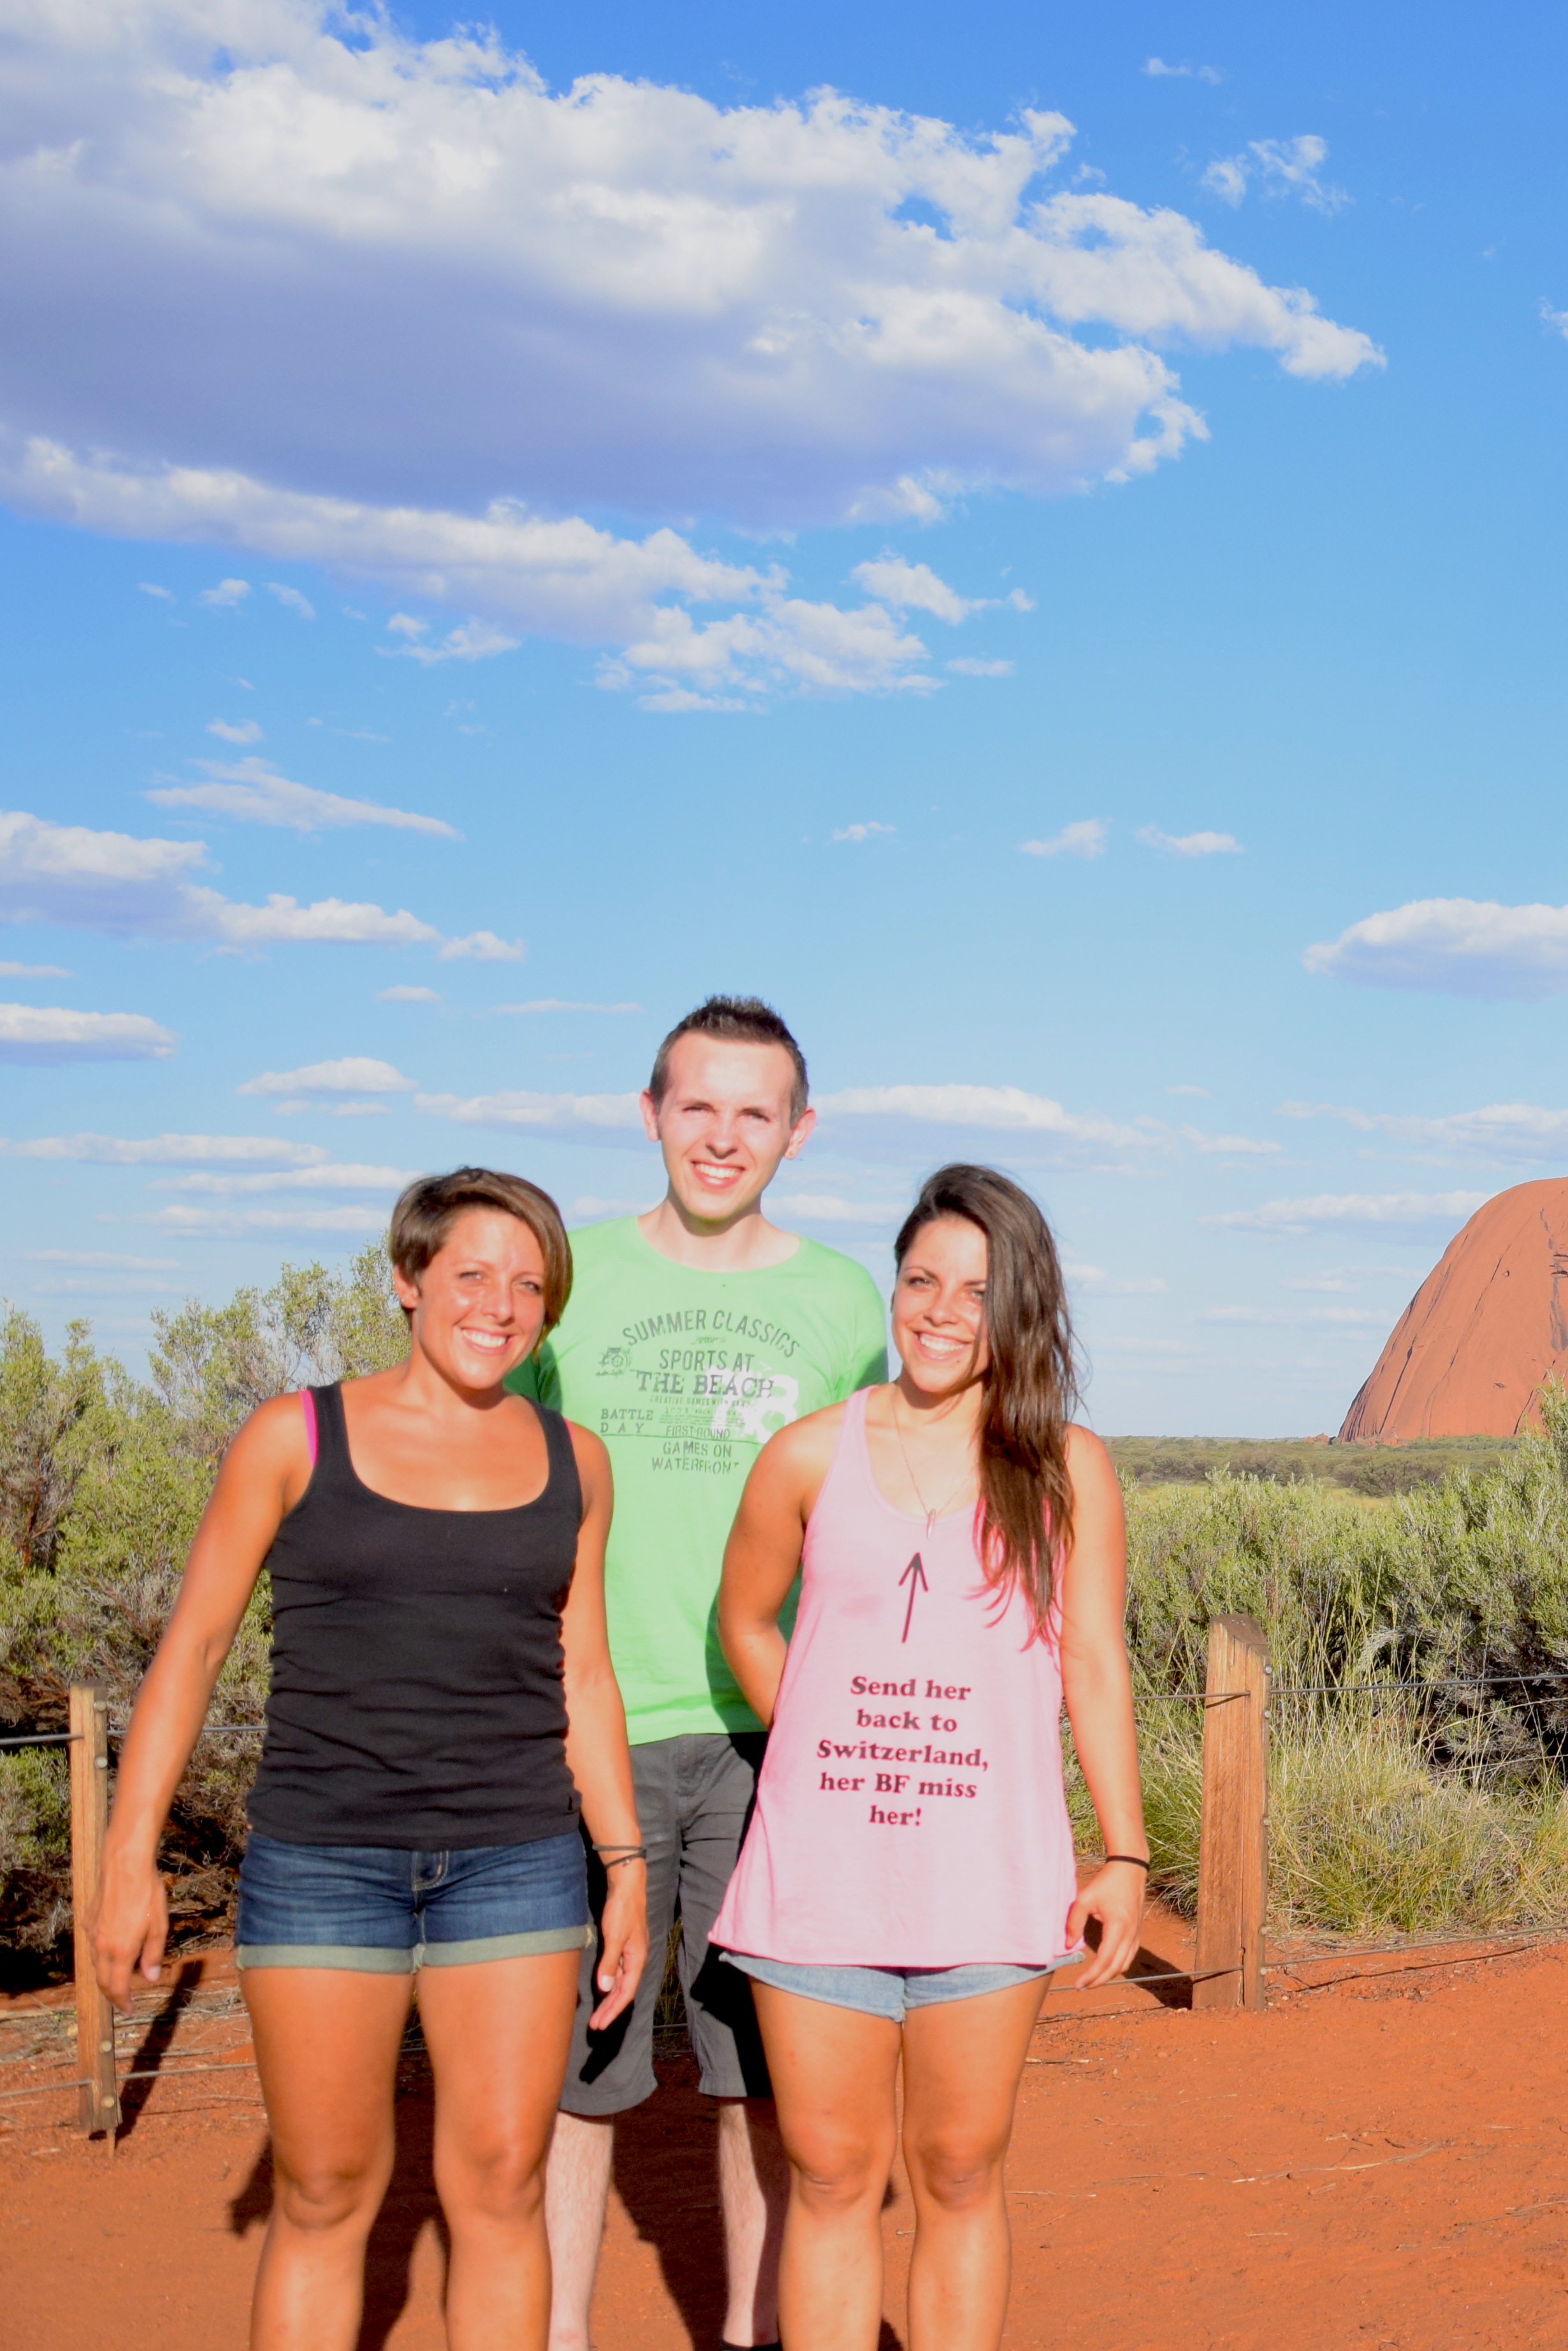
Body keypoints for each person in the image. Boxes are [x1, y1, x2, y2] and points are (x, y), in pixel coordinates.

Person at [94, 1170, 651, 2351]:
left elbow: (585, 1676)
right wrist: (128, 1857)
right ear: (407, 1281)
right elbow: (191, 1650)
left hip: (518, 1860)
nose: (500, 1305)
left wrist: (625, 1859)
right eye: (471, 1275)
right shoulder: (294, 1437)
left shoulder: (579, 1463)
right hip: (320, 1859)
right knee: (325, 2191)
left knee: (502, 2191)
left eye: (530, 1284)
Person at [706, 1162, 1147, 2351]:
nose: (942, 1312)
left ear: (1022, 1311)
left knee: (958, 2171)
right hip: (822, 1884)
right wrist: (806, 1734)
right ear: (894, 1289)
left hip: (990, 1878)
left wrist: (1125, 1852)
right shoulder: (807, 1454)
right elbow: (745, 1616)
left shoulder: (1064, 1467)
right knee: (834, 2174)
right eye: (921, 1280)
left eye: (976, 1291)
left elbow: (1093, 1662)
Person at [515, 997, 889, 2351]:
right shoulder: (572, 1281)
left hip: (763, 1738)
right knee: (574, 2070)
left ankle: (751, 2329)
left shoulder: (844, 1300)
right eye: (697, 1105)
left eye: (755, 1111)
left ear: (798, 1130)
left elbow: (876, 1505)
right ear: (649, 1112)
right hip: (582, 1728)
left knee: (758, 2075)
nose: (722, 1136)